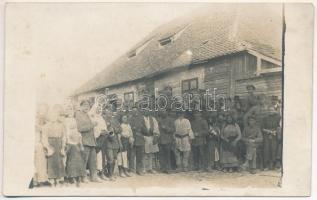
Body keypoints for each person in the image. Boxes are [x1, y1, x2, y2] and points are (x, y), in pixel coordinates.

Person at [75, 100, 101, 182]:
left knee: (93, 160)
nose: (87, 107)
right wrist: (92, 125)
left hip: (91, 141)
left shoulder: (87, 115)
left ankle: (94, 176)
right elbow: (79, 128)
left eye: (88, 106)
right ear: (81, 106)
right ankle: (83, 177)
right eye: (85, 105)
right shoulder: (78, 114)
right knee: (84, 160)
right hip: (84, 141)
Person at [42, 106, 66, 186]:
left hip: (59, 144)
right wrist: (48, 147)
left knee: (59, 161)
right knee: (51, 161)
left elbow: (64, 137)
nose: (54, 117)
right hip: (50, 144)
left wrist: (63, 147)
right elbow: (44, 138)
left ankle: (58, 179)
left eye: (55, 115)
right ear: (49, 116)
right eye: (52, 115)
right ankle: (51, 179)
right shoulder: (46, 126)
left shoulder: (61, 125)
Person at [64, 105, 86, 187]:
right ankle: (70, 176)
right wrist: (67, 140)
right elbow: (66, 131)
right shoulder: (65, 120)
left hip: (75, 140)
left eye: (71, 110)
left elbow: (76, 129)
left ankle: (77, 176)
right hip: (69, 141)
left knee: (77, 159)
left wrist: (78, 138)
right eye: (68, 110)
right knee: (70, 160)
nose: (70, 112)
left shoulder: (74, 119)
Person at [88, 102, 108, 181]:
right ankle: (95, 174)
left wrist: (105, 131)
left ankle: (102, 173)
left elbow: (105, 128)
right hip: (96, 139)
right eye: (97, 109)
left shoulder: (101, 118)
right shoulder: (92, 117)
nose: (99, 110)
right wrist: (100, 132)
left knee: (102, 157)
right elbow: (94, 129)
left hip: (103, 139)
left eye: (100, 109)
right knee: (96, 157)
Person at [33, 103, 49, 187]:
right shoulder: (34, 120)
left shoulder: (46, 121)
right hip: (34, 142)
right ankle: (35, 179)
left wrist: (46, 146)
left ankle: (42, 179)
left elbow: (45, 135)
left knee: (42, 156)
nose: (42, 113)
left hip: (41, 143)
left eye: (44, 111)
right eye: (41, 111)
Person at [103, 110, 122, 181]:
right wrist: (110, 131)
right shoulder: (104, 120)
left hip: (115, 142)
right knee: (110, 158)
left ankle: (111, 174)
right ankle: (110, 175)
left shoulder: (115, 120)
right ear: (105, 113)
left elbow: (120, 129)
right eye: (108, 113)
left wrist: (115, 130)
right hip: (108, 142)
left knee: (114, 159)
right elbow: (105, 130)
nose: (109, 114)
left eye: (110, 113)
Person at [262, 106, 281, 170]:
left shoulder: (278, 117)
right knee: (266, 149)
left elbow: (279, 127)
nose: (271, 111)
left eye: (272, 110)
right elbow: (262, 128)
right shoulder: (265, 118)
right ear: (268, 111)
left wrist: (275, 132)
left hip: (275, 134)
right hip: (266, 134)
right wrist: (269, 131)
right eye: (269, 110)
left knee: (274, 148)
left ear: (275, 111)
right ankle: (266, 165)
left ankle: (274, 163)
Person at [128, 106, 146, 175]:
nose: (134, 112)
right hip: (132, 139)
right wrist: (133, 128)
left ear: (137, 111)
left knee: (140, 156)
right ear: (132, 111)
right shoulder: (130, 118)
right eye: (133, 111)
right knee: (132, 156)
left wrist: (141, 128)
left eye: (135, 110)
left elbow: (145, 129)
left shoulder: (141, 118)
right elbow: (127, 127)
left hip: (140, 139)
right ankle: (132, 170)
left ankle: (139, 170)